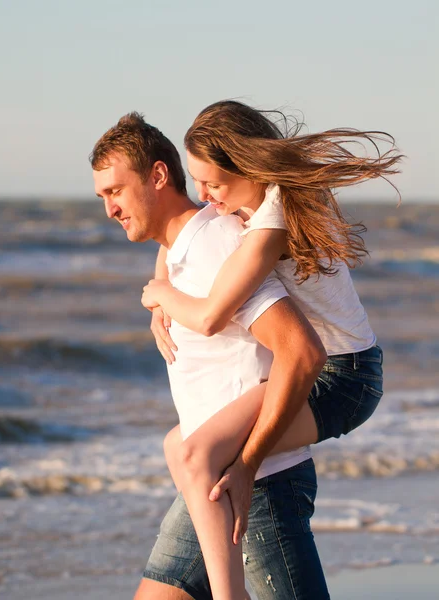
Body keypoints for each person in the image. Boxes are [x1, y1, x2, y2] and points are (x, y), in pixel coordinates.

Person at [141, 101, 402, 598]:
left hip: (344, 381)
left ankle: (228, 593)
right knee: (180, 447)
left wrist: (159, 296)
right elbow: (179, 239)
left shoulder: (269, 223)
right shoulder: (256, 203)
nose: (204, 196)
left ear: (249, 167)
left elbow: (213, 314)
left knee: (202, 456)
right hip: (332, 371)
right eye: (197, 182)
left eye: (213, 183)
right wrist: (162, 286)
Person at [90, 112, 331, 600]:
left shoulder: (215, 246)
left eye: (115, 191)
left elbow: (298, 348)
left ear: (158, 176)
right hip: (211, 488)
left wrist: (248, 462)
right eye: (102, 197)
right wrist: (160, 293)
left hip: (259, 486)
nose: (109, 209)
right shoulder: (182, 252)